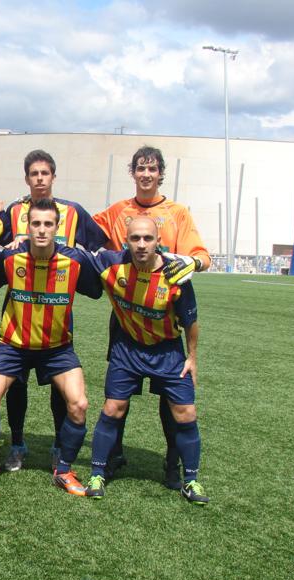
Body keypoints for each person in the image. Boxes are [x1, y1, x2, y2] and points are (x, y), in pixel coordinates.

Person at [92, 146, 211, 485]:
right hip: (127, 314)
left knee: (172, 401)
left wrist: (193, 262)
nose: (146, 174)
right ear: (133, 173)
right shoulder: (119, 211)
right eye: (140, 168)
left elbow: (201, 255)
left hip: (165, 308)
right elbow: (82, 227)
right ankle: (111, 457)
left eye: (152, 169)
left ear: (161, 173)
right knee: (117, 398)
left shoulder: (177, 212)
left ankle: (173, 464)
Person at [0, 199, 102, 494]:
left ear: (58, 228)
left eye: (48, 224)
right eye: (36, 224)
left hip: (56, 348)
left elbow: (96, 290)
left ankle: (65, 470)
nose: (41, 230)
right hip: (12, 346)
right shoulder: (10, 258)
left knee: (79, 404)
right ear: (27, 227)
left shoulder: (74, 262)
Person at [83, 216, 209, 505]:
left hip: (167, 350)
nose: (141, 245)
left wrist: (192, 357)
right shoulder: (110, 264)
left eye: (147, 239)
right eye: (135, 238)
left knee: (185, 414)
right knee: (113, 408)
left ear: (158, 241)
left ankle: (190, 480)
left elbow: (191, 321)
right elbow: (77, 253)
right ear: (126, 241)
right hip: (127, 348)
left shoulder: (175, 274)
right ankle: (97, 473)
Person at [2, 150, 107, 473]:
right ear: (26, 178)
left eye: (44, 173)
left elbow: (100, 245)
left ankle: (59, 446)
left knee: (61, 388)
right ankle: (17, 443)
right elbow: (3, 249)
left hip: (57, 312)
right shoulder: (13, 210)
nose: (39, 179)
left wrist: (83, 255)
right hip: (20, 311)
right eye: (33, 174)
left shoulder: (73, 212)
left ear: (53, 177)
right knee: (15, 385)